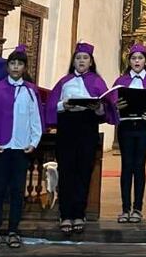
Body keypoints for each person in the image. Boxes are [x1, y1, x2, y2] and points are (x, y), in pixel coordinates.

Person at [0, 45, 43, 250]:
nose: (15, 66)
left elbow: (35, 118)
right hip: (2, 147)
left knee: (17, 191)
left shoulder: (31, 91)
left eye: (19, 63)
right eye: (12, 63)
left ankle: (13, 230)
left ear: (24, 67)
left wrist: (34, 142)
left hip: (21, 148)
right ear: (7, 66)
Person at [46, 41, 108, 236]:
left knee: (83, 171)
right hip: (67, 128)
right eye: (78, 58)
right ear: (73, 62)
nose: (81, 61)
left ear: (91, 62)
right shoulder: (64, 82)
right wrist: (64, 105)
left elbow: (105, 108)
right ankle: (65, 214)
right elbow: (51, 107)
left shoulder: (97, 81)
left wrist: (98, 108)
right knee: (66, 171)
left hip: (87, 128)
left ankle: (79, 213)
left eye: (85, 58)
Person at [106, 43, 146, 224]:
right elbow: (110, 100)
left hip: (143, 128)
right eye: (134, 58)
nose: (137, 61)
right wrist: (116, 105)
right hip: (126, 128)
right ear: (129, 61)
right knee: (126, 166)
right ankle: (125, 208)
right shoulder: (121, 81)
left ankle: (138, 208)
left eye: (140, 58)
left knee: (139, 166)